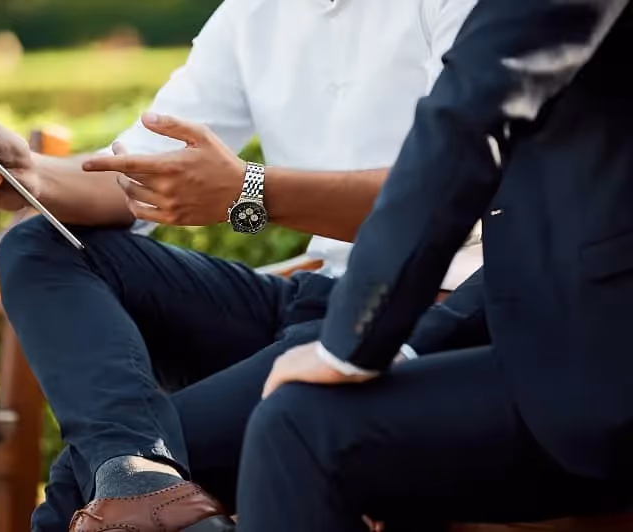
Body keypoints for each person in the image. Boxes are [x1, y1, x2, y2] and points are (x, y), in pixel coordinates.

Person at [0, 0, 480, 529]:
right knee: (40, 246)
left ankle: (136, 476)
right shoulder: (252, 13)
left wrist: (250, 191)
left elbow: (447, 195)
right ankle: (139, 473)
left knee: (80, 488)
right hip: (312, 296)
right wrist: (31, 175)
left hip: (423, 310)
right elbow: (136, 173)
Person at [233, 0, 633, 531]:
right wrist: (405, 343)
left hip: (596, 372)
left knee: (298, 428)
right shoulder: (250, 17)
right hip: (499, 332)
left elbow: (464, 122)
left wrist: (349, 344)